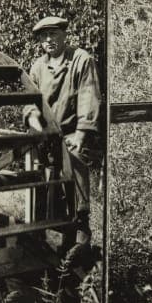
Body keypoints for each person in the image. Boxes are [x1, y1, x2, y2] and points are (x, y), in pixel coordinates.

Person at [22, 16, 103, 252]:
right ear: (39, 40)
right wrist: (33, 120)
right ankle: (44, 235)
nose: (49, 40)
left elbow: (89, 97)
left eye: (54, 34)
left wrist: (80, 134)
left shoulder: (81, 60)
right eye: (44, 36)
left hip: (72, 133)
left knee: (76, 172)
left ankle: (80, 231)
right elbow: (29, 100)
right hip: (46, 136)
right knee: (45, 184)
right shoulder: (37, 67)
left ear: (64, 35)